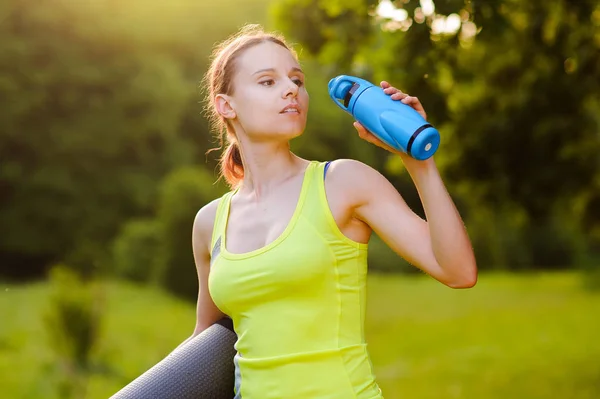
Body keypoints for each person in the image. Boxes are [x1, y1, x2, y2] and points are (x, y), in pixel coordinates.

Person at [188, 24, 477, 399]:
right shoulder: (210, 222)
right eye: (267, 82)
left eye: (296, 79)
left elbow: (458, 271)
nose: (292, 89)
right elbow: (205, 344)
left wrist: (419, 162)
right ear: (226, 105)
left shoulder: (342, 183)